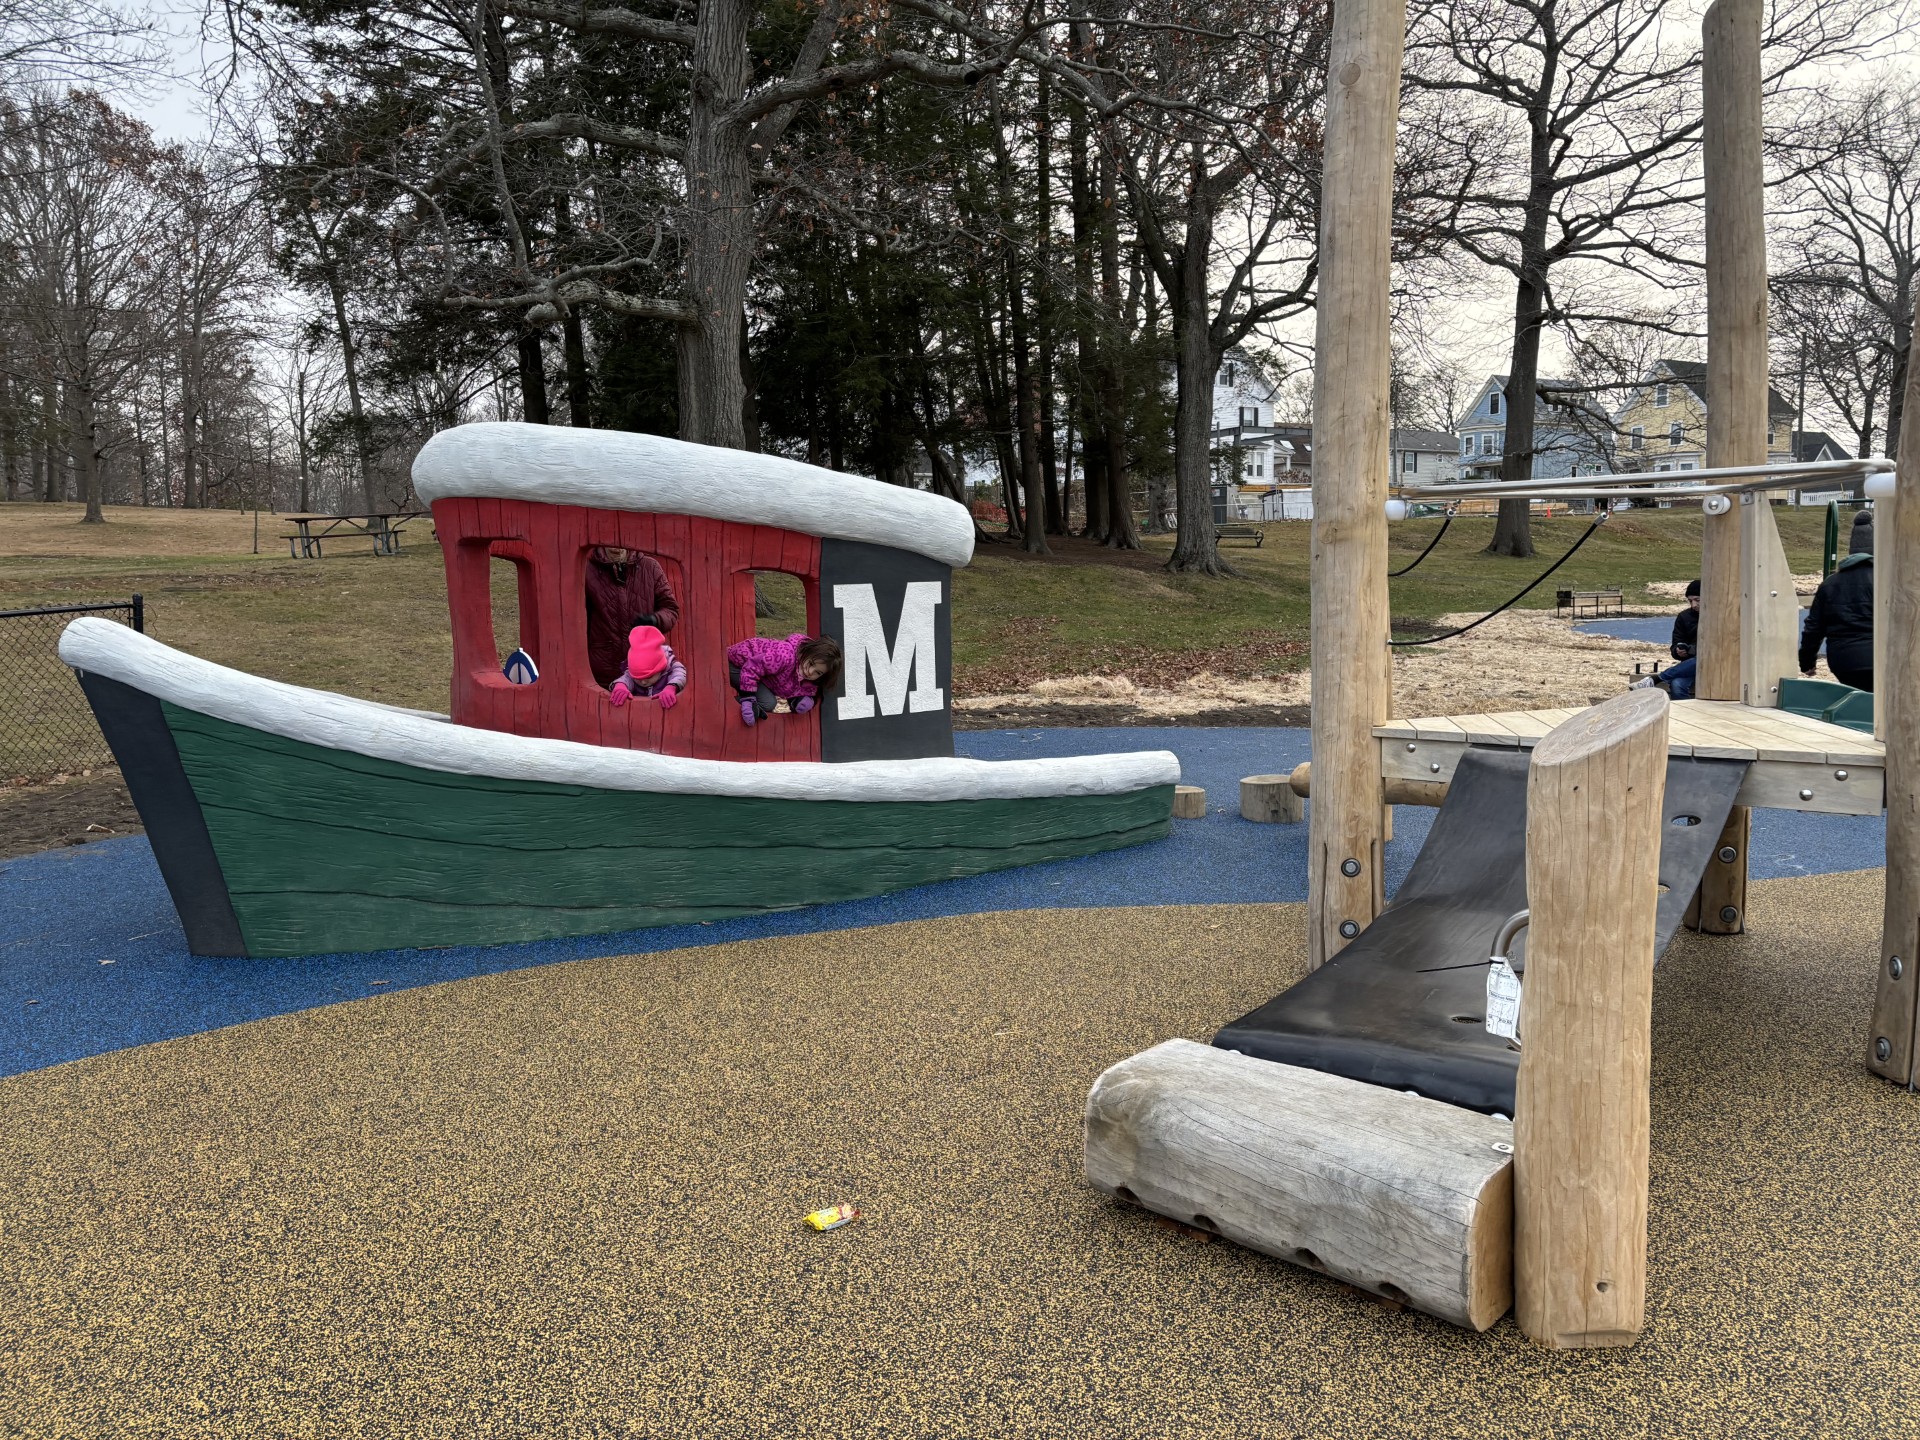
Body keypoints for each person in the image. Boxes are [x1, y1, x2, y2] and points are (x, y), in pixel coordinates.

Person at [1800, 507, 1874, 691]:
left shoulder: (1830, 583)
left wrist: (1807, 662)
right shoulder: (1888, 580)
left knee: (1858, 697)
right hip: (1881, 656)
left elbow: (1813, 628)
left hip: (1844, 660)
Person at [586, 546, 680, 688]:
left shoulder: (650, 567)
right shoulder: (588, 571)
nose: (615, 546)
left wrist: (655, 620)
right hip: (604, 671)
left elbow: (670, 609)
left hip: (647, 671)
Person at [725, 633, 842, 727]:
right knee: (767, 703)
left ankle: (731, 703)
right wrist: (748, 699)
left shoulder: (802, 671)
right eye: (811, 663)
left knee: (768, 702)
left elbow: (793, 685)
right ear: (806, 652)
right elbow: (752, 667)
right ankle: (723, 706)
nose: (810, 672)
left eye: (818, 672)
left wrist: (799, 700)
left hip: (758, 676)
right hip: (737, 665)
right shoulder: (785, 656)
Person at [1634, 579, 1698, 699]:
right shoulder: (1683, 617)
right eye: (1690, 601)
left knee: (1702, 659)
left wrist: (1690, 650)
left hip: (1711, 665)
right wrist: (1678, 651)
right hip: (1688, 667)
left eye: (1697, 600)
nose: (1694, 605)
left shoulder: (1717, 616)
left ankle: (1658, 678)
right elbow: (1675, 645)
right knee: (1677, 685)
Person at [608, 625, 685, 709]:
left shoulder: (671, 667)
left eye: (649, 676)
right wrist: (620, 686)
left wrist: (671, 687)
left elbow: (680, 674)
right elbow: (625, 679)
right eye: (637, 678)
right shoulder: (631, 674)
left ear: (661, 668)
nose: (643, 682)